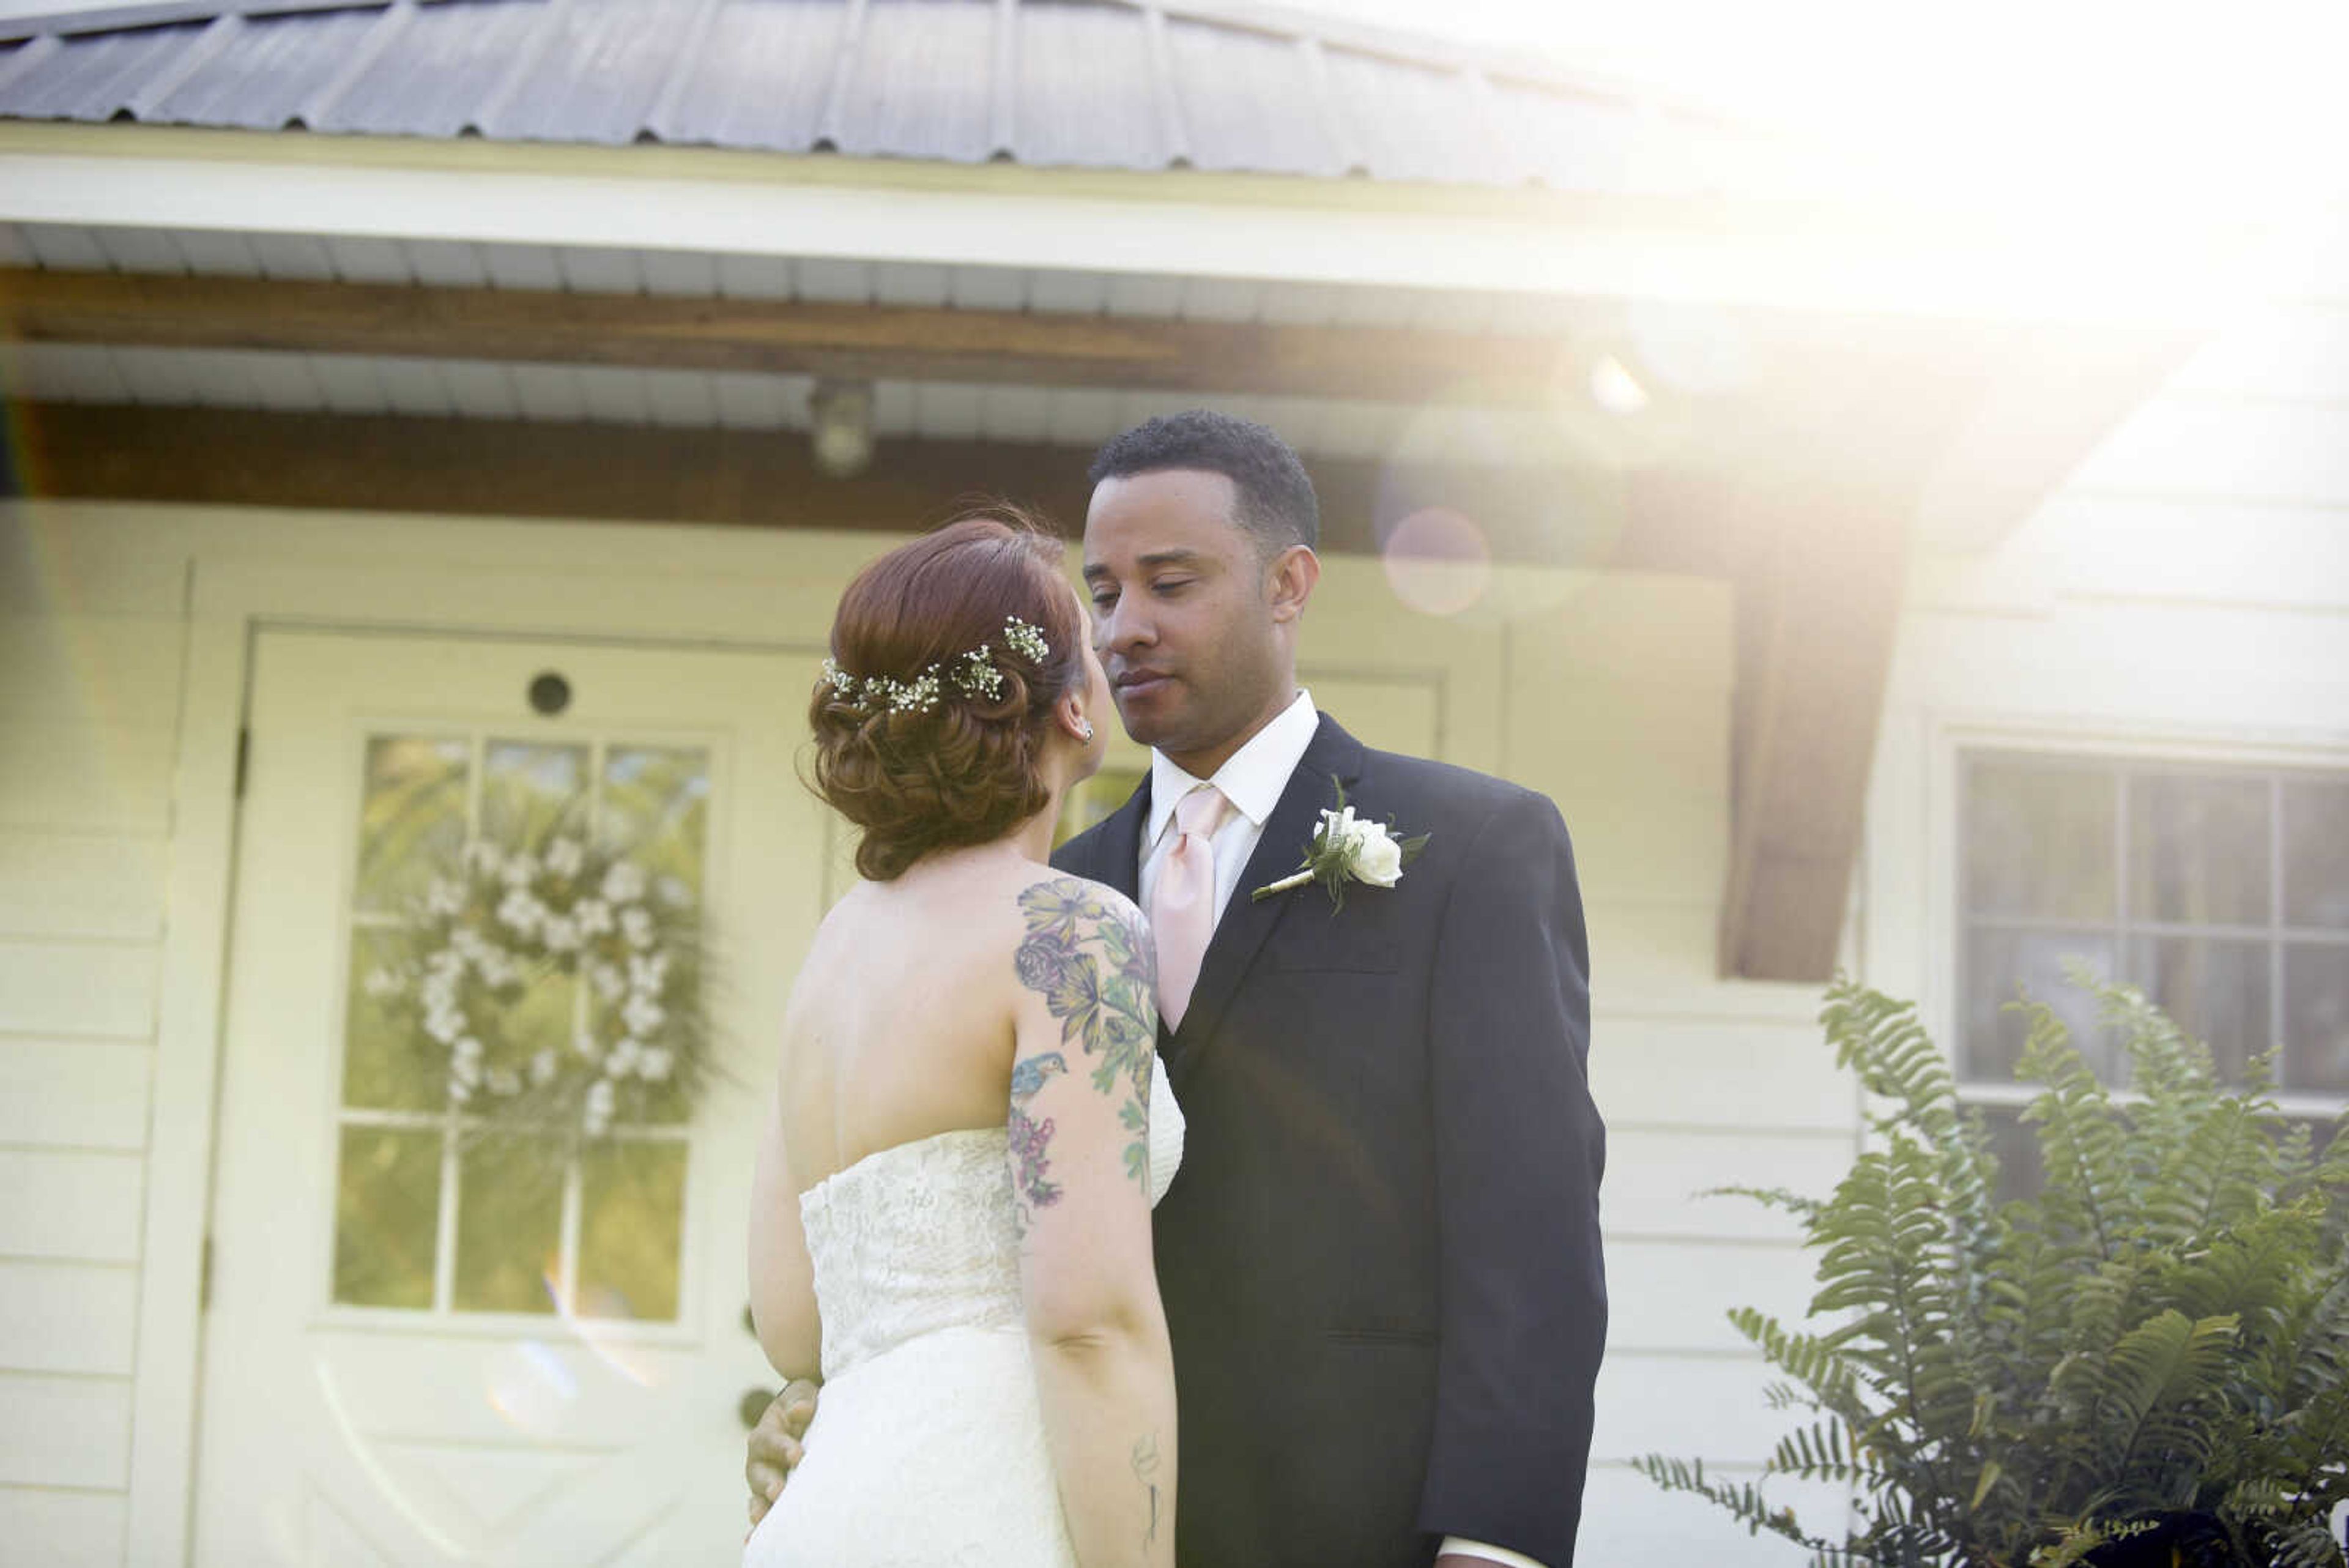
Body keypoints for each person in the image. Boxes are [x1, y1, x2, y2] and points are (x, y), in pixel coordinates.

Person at [751, 412, 1607, 1568]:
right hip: (1058, 1507)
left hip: (1360, 1524)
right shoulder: (1053, 902)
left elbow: (1533, 1230)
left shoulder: (1476, 845)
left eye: (1172, 582)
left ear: (1289, 583)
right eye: (1100, 595)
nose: (1125, 629)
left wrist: (1496, 1542)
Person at [742, 511, 1182, 1568]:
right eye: (1092, 630)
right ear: (1071, 706)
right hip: (992, 1504)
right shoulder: (1068, 934)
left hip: (829, 1511)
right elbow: (1089, 1325)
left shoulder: (837, 953)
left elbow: (793, 1327)